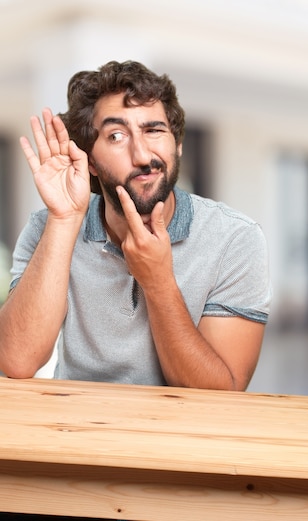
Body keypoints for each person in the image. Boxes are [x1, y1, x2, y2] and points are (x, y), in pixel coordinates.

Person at [0, 60, 272, 391]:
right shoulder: (49, 226)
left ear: (178, 144)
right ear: (91, 163)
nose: (142, 155)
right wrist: (64, 219)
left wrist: (158, 282)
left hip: (185, 437)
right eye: (116, 135)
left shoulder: (235, 238)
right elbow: (17, 361)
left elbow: (222, 392)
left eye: (153, 130)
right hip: (76, 434)